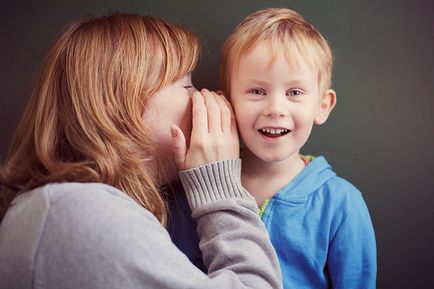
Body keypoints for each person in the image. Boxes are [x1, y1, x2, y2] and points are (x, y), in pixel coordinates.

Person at [0, 12, 282, 289]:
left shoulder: (62, 207)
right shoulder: (84, 215)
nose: (204, 97)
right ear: (119, 104)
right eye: (186, 85)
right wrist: (220, 186)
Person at [170, 7, 377, 289]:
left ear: (322, 106)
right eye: (257, 91)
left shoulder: (342, 204)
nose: (275, 109)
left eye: (294, 93)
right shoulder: (194, 192)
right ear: (228, 102)